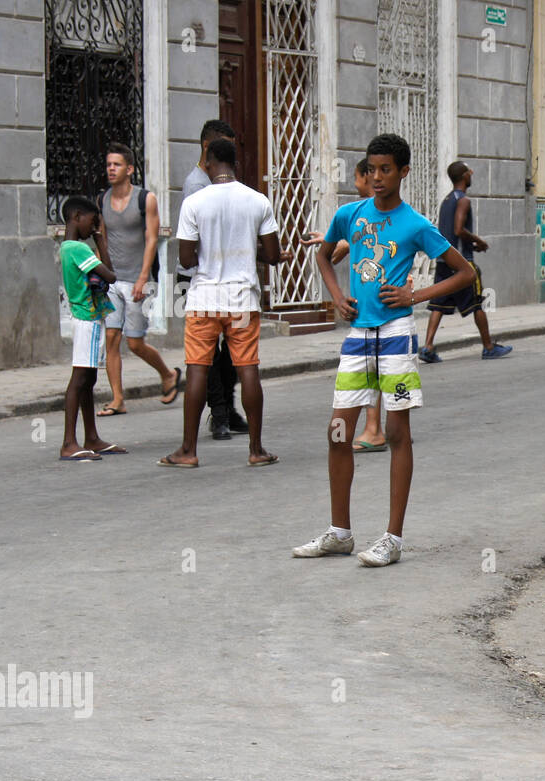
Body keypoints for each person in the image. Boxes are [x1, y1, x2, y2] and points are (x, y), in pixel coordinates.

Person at [297, 134, 476, 567]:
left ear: (403, 172)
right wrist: (337, 296)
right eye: (371, 170)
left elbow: (465, 272)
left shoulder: (415, 224)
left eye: (386, 170)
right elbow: (324, 257)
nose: (377, 178)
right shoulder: (350, 214)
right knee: (338, 432)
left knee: (397, 435)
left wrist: (415, 298)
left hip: (396, 335)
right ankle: (340, 532)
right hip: (358, 335)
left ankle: (392, 538)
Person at [159, 137, 282, 468]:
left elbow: (186, 258)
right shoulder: (258, 201)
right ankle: (256, 450)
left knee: (198, 368)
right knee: (248, 369)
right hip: (242, 300)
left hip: (204, 299)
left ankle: (187, 450)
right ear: (235, 165)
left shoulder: (195, 203)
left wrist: (211, 249)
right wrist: (243, 248)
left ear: (209, 163)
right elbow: (272, 255)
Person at [300, 158, 389, 452]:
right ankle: (376, 427)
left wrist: (337, 244)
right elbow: (340, 250)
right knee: (373, 367)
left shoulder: (377, 211)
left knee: (372, 367)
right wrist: (331, 242)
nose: (357, 182)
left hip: (378, 305)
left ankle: (375, 429)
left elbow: (361, 243)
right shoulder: (357, 214)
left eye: (357, 177)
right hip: (368, 302)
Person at [96, 142, 181, 416]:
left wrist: (143, 278)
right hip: (112, 281)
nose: (111, 168)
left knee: (134, 342)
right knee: (111, 338)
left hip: (139, 280)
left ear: (129, 169)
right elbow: (104, 241)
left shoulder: (146, 199)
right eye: (109, 164)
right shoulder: (102, 200)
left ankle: (168, 375)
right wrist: (101, 275)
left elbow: (152, 239)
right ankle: (117, 399)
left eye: (116, 164)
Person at [180, 119, 247, 442]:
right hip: (204, 281)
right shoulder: (198, 186)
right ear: (209, 148)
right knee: (208, 356)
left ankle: (228, 409)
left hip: (226, 278)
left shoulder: (223, 184)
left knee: (230, 353)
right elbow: (193, 247)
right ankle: (219, 413)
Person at [419, 161, 512, 363]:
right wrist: (479, 241)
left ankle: (427, 347)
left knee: (438, 304)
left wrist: (472, 244)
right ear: (463, 176)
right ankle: (488, 347)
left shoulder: (446, 200)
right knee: (477, 302)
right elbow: (458, 230)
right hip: (462, 263)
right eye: (469, 172)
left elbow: (450, 233)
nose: (472, 174)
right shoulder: (463, 200)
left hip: (444, 259)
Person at [58, 197, 127, 461]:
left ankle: (91, 438)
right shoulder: (78, 248)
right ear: (77, 217)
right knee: (79, 379)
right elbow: (110, 275)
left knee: (88, 379)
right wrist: (101, 241)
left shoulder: (68, 247)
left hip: (86, 317)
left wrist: (97, 238)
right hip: (88, 318)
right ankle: (69, 442)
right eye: (92, 220)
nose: (94, 226)